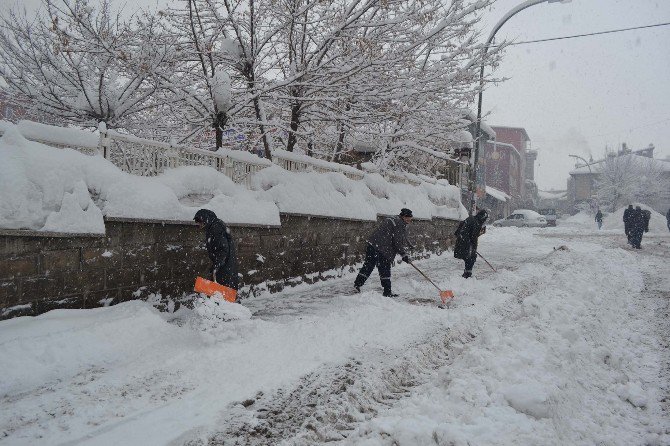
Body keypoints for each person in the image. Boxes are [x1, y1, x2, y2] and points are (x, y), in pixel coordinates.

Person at [354, 208, 413, 297]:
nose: (409, 220)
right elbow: (397, 242)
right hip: (383, 249)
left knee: (368, 265)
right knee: (384, 269)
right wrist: (404, 255)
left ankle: (357, 284)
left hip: (372, 245)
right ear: (403, 217)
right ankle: (387, 292)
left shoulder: (394, 219)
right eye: (408, 218)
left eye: (410, 218)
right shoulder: (399, 224)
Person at [194, 209, 239, 299]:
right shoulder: (214, 226)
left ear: (205, 219)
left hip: (225, 265)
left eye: (199, 222)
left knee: (224, 291)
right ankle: (229, 308)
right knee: (224, 291)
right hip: (226, 264)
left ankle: (233, 310)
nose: (198, 225)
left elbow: (223, 249)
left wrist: (217, 265)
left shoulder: (215, 228)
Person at [453, 209, 488, 278]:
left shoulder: (472, 218)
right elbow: (473, 236)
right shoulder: (477, 222)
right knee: (471, 257)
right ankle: (467, 274)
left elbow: (461, 228)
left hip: (462, 240)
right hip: (466, 242)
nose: (484, 221)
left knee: (469, 257)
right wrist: (473, 247)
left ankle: (467, 273)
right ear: (483, 217)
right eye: (485, 219)